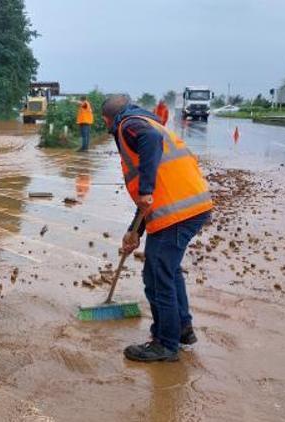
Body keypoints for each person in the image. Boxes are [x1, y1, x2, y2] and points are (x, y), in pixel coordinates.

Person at [100, 94, 213, 362]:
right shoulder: (147, 121)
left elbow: (148, 174)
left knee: (156, 277)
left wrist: (147, 189)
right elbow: (148, 196)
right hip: (185, 207)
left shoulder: (128, 125)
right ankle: (182, 330)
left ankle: (165, 343)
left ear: (107, 119)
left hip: (177, 211)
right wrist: (135, 232)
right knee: (169, 272)